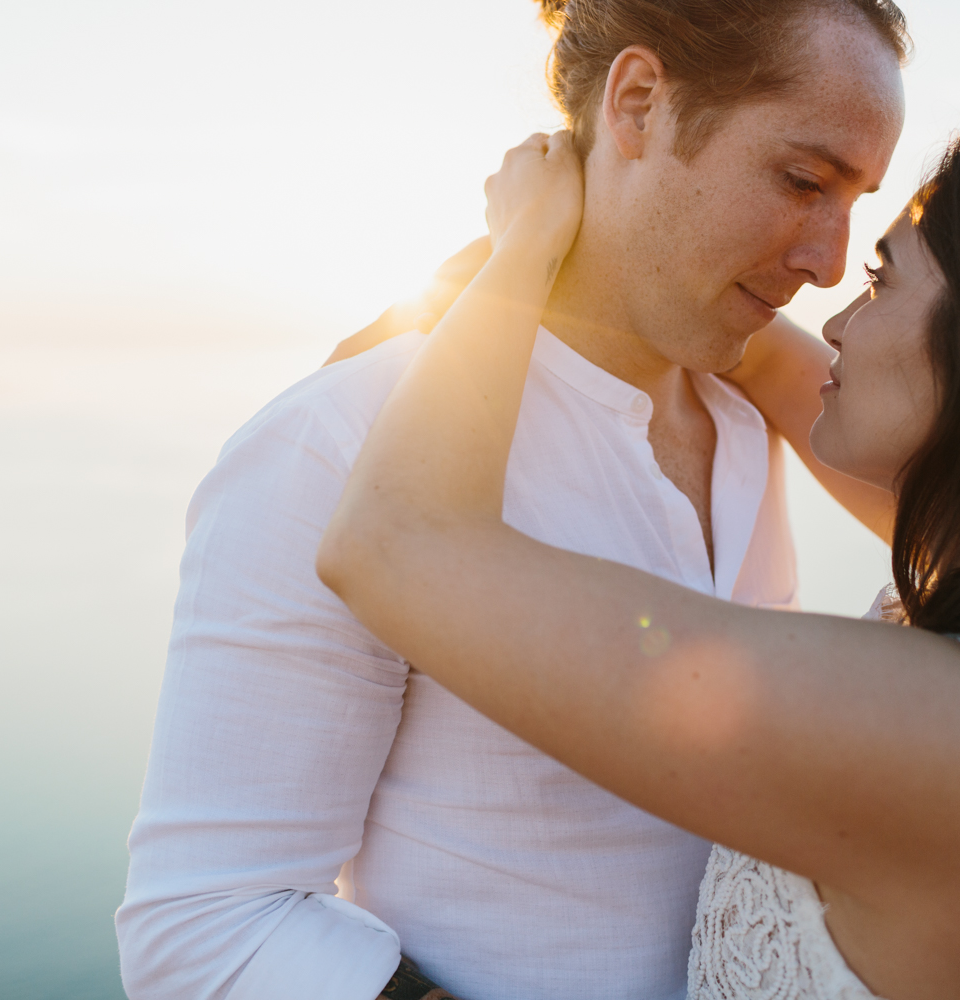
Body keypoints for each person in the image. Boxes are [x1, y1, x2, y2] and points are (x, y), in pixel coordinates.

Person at [317, 126, 960, 1000]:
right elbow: (764, 361)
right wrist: (656, 263)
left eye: (883, 278)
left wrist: (523, 246)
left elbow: (397, 543)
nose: (836, 314)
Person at [115, 2, 909, 999]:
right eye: (803, 181)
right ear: (637, 103)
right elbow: (203, 929)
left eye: (856, 201)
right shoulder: (340, 438)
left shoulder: (753, 430)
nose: (831, 259)